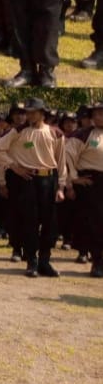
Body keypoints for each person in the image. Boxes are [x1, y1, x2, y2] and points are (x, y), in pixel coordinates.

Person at [0, 98, 67, 277]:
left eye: (33, 111)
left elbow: (61, 162)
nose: (29, 115)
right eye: (28, 112)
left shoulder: (56, 134)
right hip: (28, 181)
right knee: (30, 222)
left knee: (49, 223)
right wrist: (14, 166)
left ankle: (45, 261)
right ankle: (31, 261)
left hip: (48, 180)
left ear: (42, 113)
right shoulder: (18, 132)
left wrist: (61, 187)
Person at [64, 101, 103, 277]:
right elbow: (67, 155)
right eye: (96, 114)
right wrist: (73, 179)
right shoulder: (83, 135)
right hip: (92, 182)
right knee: (94, 224)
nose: (99, 117)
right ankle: (97, 262)